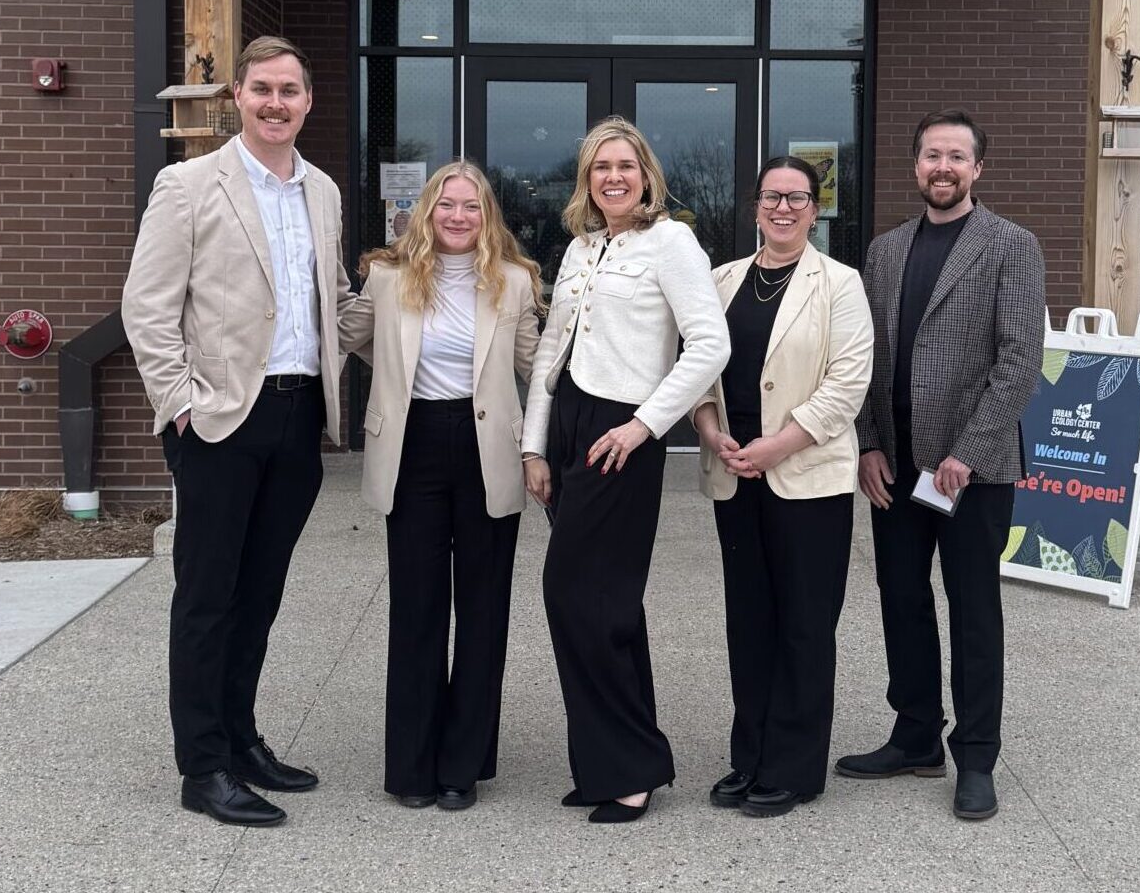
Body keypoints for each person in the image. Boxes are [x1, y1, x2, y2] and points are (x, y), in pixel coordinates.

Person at [121, 36, 354, 827]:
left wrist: (410, 295)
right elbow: (147, 308)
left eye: (289, 90)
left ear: (308, 100)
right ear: (238, 97)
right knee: (207, 599)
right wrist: (181, 405)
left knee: (259, 594)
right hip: (219, 420)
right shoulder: (188, 185)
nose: (276, 103)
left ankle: (243, 739)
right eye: (262, 90)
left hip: (298, 419)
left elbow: (336, 299)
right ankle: (204, 766)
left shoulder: (321, 191)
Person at [835, 110, 1046, 820]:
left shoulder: (1010, 246)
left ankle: (976, 757)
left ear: (977, 169)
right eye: (932, 155)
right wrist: (866, 443)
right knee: (901, 603)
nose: (943, 167)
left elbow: (1020, 362)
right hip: (894, 467)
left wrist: (967, 451)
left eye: (957, 156)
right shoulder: (886, 250)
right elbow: (864, 359)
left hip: (971, 472)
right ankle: (914, 736)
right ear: (914, 165)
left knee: (973, 613)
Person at [520, 116, 729, 824]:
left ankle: (629, 766)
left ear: (645, 175)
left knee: (582, 598)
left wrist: (644, 425)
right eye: (599, 167)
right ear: (587, 179)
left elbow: (709, 345)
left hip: (622, 433)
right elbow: (550, 349)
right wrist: (532, 446)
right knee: (600, 606)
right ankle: (617, 762)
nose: (613, 176)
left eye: (625, 165)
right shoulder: (581, 247)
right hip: (571, 424)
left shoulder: (671, 242)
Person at [338, 162, 542, 811]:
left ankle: (463, 764)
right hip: (413, 452)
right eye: (446, 205)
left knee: (482, 615)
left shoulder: (512, 283)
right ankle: (413, 766)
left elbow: (539, 369)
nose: (457, 216)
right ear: (426, 213)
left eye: (471, 206)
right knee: (417, 612)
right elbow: (351, 338)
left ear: (488, 217)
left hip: (488, 452)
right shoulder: (388, 278)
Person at [693, 157, 873, 818]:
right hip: (733, 473)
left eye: (797, 198)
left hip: (805, 479)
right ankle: (750, 757)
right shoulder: (720, 282)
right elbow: (698, 375)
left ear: (813, 207)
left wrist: (777, 444)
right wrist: (712, 431)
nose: (783, 208)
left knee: (802, 625)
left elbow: (847, 384)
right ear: (755, 206)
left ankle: (794, 767)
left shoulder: (840, 285)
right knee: (749, 624)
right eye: (772, 196)